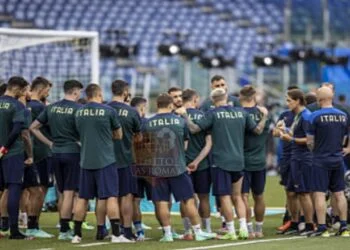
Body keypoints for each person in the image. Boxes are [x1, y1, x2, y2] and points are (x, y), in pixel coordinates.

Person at [178, 88, 268, 240]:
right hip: (239, 160)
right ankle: (244, 228)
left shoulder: (212, 114)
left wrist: (185, 115)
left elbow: (194, 129)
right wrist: (264, 116)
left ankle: (231, 231)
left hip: (221, 161)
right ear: (226, 97)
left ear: (213, 100)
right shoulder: (241, 113)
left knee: (225, 197)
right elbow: (258, 130)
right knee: (238, 196)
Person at [142, 93, 216, 242]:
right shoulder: (180, 121)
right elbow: (185, 145)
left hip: (158, 167)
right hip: (177, 166)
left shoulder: (147, 123)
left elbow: (143, 149)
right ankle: (198, 231)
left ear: (157, 105)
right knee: (188, 200)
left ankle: (168, 234)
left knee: (161, 201)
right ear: (170, 105)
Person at [72, 84, 128, 244]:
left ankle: (77, 235)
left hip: (85, 161)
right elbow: (119, 134)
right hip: (106, 160)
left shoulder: (79, 112)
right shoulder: (108, 111)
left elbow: (79, 133)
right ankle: (117, 235)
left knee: (82, 198)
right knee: (111, 196)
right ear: (99, 94)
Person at [30, 80, 83, 240]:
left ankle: (64, 229)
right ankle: (65, 229)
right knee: (70, 193)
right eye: (79, 92)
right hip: (73, 152)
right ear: (75, 92)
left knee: (62, 192)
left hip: (56, 153)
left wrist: (50, 143)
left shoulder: (51, 107)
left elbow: (33, 127)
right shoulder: (79, 109)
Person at [307, 86, 350, 237]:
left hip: (320, 159)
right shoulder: (343, 115)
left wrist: (315, 149)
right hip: (338, 158)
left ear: (319, 99)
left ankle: (322, 227)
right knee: (339, 193)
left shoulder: (314, 116)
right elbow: (345, 138)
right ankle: (344, 227)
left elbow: (310, 142)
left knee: (319, 194)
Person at [108, 80, 142, 241]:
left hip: (105, 159)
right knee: (127, 196)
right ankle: (127, 230)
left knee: (108, 196)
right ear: (126, 92)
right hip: (126, 158)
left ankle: (109, 229)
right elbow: (139, 137)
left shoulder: (104, 109)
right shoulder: (131, 112)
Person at [0, 76, 33, 239]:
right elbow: (17, 131)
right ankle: (14, 230)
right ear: (18, 89)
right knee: (13, 188)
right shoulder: (18, 106)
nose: (26, 93)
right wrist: (4, 147)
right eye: (25, 89)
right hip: (11, 153)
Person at [279, 89, 314, 236]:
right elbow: (296, 133)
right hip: (295, 157)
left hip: (302, 159)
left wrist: (290, 139)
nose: (287, 103)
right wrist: (285, 130)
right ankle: (295, 223)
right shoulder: (298, 116)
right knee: (293, 191)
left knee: (304, 193)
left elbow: (310, 140)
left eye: (289, 100)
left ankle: (309, 225)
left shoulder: (306, 116)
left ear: (298, 101)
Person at [239, 86, 270, 239]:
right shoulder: (264, 114)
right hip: (259, 160)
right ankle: (259, 229)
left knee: (243, 197)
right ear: (254, 96)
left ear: (242, 96)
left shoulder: (239, 114)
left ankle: (249, 229)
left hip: (242, 161)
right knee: (259, 196)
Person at [25, 77, 54, 238]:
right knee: (40, 190)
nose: (48, 93)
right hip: (42, 152)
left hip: (28, 153)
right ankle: (33, 225)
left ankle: (24, 223)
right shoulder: (41, 107)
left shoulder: (25, 104)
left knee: (29, 190)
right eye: (47, 90)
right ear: (42, 89)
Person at [182, 89, 213, 234]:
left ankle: (188, 230)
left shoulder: (177, 117)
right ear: (195, 99)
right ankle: (206, 228)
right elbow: (208, 144)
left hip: (182, 164)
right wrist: (197, 161)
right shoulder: (204, 116)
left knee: (186, 198)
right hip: (202, 165)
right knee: (204, 197)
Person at [130, 97, 153, 237]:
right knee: (159, 200)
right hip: (148, 166)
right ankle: (167, 231)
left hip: (132, 165)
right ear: (143, 108)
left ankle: (139, 231)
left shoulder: (126, 122)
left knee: (134, 200)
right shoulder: (148, 123)